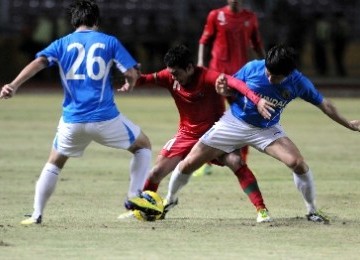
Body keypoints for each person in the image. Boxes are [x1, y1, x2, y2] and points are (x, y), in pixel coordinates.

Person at [163, 44, 360, 223]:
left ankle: (311, 210)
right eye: (268, 72)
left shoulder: (299, 83)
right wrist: (223, 90)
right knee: (189, 163)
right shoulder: (253, 68)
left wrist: (348, 124)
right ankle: (169, 200)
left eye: (275, 77)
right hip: (234, 123)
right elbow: (231, 88)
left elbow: (325, 105)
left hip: (266, 130)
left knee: (298, 164)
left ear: (289, 73)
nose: (269, 78)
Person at [0, 0, 153, 225]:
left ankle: (36, 214)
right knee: (143, 146)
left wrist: (13, 85)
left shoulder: (62, 43)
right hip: (105, 118)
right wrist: (130, 81)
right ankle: (133, 199)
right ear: (96, 21)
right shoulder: (109, 41)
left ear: (73, 22)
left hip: (72, 120)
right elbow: (130, 72)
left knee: (54, 162)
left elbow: (39, 62)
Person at [122, 44, 274, 222]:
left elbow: (236, 83)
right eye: (170, 73)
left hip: (217, 134)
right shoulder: (169, 76)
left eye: (176, 73)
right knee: (155, 173)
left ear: (189, 67)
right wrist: (132, 78)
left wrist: (257, 100)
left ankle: (261, 210)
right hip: (186, 134)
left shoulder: (208, 77)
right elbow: (144, 80)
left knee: (236, 161)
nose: (173, 78)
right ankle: (141, 210)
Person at [196, 0, 266, 175]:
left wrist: (266, 67)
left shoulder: (250, 17)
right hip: (217, 75)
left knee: (245, 119)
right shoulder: (216, 15)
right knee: (210, 117)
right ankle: (208, 162)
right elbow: (204, 41)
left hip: (242, 77)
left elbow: (257, 45)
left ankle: (242, 161)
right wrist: (200, 63)